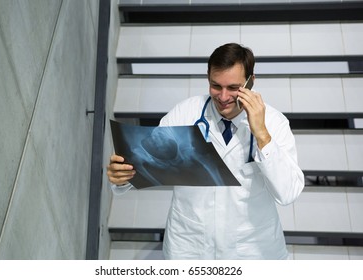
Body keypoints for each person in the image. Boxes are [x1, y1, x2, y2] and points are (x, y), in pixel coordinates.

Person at [107, 43, 305, 259]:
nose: (222, 96)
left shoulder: (274, 123)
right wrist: (122, 176)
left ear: (251, 81)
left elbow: (288, 193)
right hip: (190, 247)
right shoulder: (185, 114)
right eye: (215, 86)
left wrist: (262, 135)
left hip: (252, 251)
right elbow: (147, 161)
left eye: (233, 87)